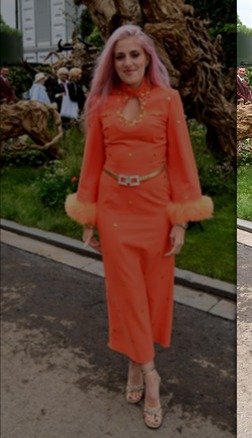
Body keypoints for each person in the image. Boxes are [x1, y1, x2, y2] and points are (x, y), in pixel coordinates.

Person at [64, 24, 213, 429]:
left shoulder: (168, 100)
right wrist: (89, 218)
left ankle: (133, 364)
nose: (128, 62)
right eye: (120, 56)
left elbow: (182, 162)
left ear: (148, 58)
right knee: (125, 292)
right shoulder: (101, 103)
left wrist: (180, 220)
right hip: (113, 211)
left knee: (150, 294)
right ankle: (150, 375)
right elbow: (91, 164)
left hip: (155, 208)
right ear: (111, 63)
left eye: (134, 54)